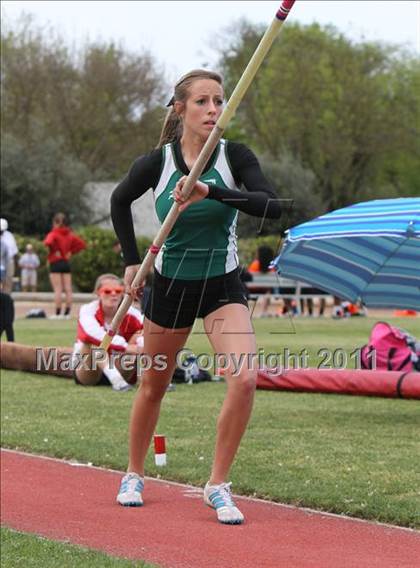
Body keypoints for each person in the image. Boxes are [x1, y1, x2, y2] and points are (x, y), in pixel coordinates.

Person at [111, 69, 282, 524]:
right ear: (180, 108)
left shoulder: (234, 156)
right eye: (203, 102)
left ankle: (217, 485)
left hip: (221, 284)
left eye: (219, 101)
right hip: (170, 288)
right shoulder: (156, 163)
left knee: (245, 379)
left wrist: (213, 191)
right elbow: (118, 200)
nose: (213, 110)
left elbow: (271, 204)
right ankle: (134, 473)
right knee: (153, 386)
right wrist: (131, 261)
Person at [72, 273, 144, 391]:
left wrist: (141, 346)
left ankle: (150, 379)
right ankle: (117, 381)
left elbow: (147, 330)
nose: (113, 294)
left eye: (118, 291)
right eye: (107, 291)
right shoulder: (87, 310)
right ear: (98, 293)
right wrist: (125, 346)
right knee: (94, 343)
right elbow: (89, 334)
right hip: (89, 370)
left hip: (119, 365)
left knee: (141, 336)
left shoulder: (131, 312)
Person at [43, 213, 86, 319]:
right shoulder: (69, 234)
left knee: (58, 289)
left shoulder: (53, 233)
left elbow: (47, 242)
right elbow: (82, 244)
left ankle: (57, 313)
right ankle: (67, 313)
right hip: (66, 263)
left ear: (55, 223)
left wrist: (55, 250)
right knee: (68, 289)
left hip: (55, 262)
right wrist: (71, 251)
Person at [248, 245, 276, 317]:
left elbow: (248, 276)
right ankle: (264, 311)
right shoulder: (272, 267)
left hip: (252, 289)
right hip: (264, 289)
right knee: (268, 292)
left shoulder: (255, 265)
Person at [0, 218, 18, 294]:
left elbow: (14, 251)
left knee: (8, 280)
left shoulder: (9, 235)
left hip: (9, 261)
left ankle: (6, 296)